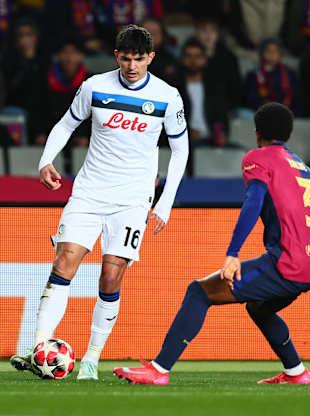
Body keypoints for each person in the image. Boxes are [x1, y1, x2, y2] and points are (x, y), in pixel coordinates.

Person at [113, 102, 310, 385]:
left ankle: (159, 369)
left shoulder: (258, 158)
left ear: (257, 133)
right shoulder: (303, 168)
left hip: (287, 264)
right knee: (259, 307)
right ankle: (297, 372)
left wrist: (233, 253)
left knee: (199, 292)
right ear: (289, 133)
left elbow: (253, 203)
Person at [10, 25, 188, 381]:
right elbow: (65, 125)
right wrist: (46, 160)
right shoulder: (94, 87)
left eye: (139, 59)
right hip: (89, 193)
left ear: (151, 58)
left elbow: (181, 150)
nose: (132, 66)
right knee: (64, 261)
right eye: (126, 58)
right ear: (116, 56)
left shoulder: (168, 97)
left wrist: (165, 202)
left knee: (110, 275)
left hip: (133, 200)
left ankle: (91, 357)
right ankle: (39, 347)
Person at [244, 38, 300, 115]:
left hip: (286, 113)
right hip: (261, 113)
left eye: (275, 51)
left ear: (280, 54)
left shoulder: (289, 73)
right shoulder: (253, 74)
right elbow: (250, 97)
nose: (272, 54)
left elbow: (295, 95)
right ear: (262, 53)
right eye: (268, 51)